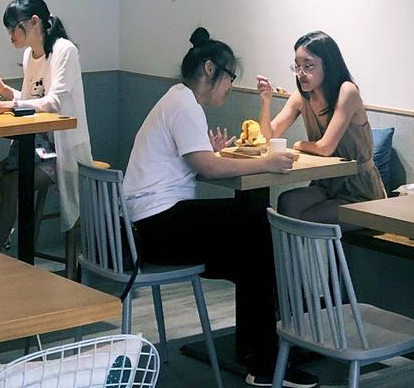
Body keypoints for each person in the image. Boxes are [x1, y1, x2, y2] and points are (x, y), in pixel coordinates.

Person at [123, 28, 317, 388]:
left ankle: (260, 353)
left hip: (144, 227)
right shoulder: (185, 105)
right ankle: (266, 357)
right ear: (210, 69)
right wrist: (267, 163)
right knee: (257, 228)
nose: (230, 86)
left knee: (253, 246)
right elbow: (208, 169)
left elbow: (198, 162)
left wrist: (211, 152)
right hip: (155, 229)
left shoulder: (177, 99)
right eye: (230, 77)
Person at [0, 0, 93, 252]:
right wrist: (4, 90)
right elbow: (31, 101)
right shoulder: (31, 54)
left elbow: (53, 102)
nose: (11, 36)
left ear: (34, 22)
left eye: (14, 28)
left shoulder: (64, 50)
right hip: (35, 147)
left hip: (61, 152)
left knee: (9, 184)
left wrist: (4, 105)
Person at [257, 30, 385, 223]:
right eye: (297, 66)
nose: (301, 74)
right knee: (287, 201)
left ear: (328, 64)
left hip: (359, 189)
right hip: (326, 183)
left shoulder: (347, 91)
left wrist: (299, 144)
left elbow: (325, 148)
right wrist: (266, 101)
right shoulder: (302, 96)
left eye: (308, 66)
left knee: (303, 219)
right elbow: (268, 136)